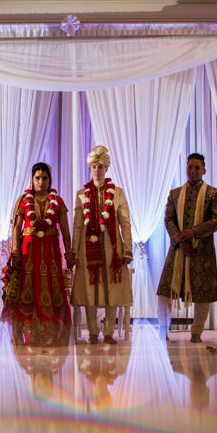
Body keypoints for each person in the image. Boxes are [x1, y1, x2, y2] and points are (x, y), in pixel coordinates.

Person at [156, 153, 217, 343]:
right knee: (165, 291)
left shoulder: (213, 193)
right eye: (190, 167)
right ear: (185, 169)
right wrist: (180, 240)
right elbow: (169, 219)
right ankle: (164, 329)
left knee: (202, 294)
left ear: (204, 170)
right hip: (178, 249)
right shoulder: (175, 193)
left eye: (197, 168)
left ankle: (196, 332)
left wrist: (193, 232)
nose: (193, 171)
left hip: (202, 252)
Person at [4, 162, 74, 346]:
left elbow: (65, 230)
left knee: (52, 286)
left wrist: (69, 253)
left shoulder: (57, 201)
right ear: (32, 179)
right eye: (37, 178)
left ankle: (52, 329)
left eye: (44, 178)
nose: (41, 182)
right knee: (29, 285)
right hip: (29, 252)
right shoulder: (23, 199)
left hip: (51, 251)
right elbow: (16, 228)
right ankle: (29, 328)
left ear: (49, 180)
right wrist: (15, 251)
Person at [70, 145, 133, 344]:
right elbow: (78, 226)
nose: (96, 170)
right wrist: (74, 252)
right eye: (93, 166)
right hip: (87, 248)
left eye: (100, 166)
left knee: (111, 289)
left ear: (107, 169)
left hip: (112, 249)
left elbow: (125, 223)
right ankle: (93, 333)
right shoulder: (82, 194)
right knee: (90, 291)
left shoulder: (118, 193)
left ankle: (108, 333)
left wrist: (128, 249)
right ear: (90, 169)